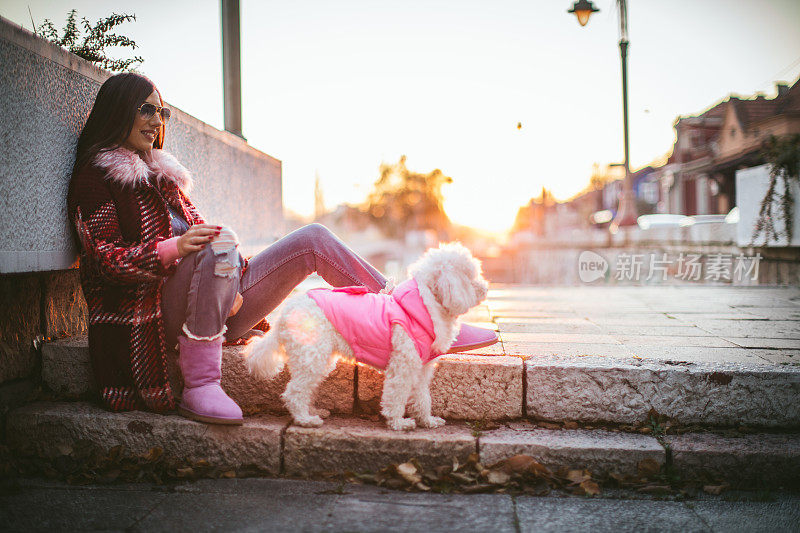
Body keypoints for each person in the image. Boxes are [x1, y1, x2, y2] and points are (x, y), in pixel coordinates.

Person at [67, 73, 497, 426]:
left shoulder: (163, 178)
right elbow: (105, 263)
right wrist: (175, 249)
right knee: (217, 242)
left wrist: (227, 277)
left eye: (161, 111)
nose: (155, 119)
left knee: (311, 238)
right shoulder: (96, 177)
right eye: (145, 108)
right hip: (154, 321)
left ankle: (407, 316)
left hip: (217, 308)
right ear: (118, 110)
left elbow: (207, 238)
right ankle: (201, 385)